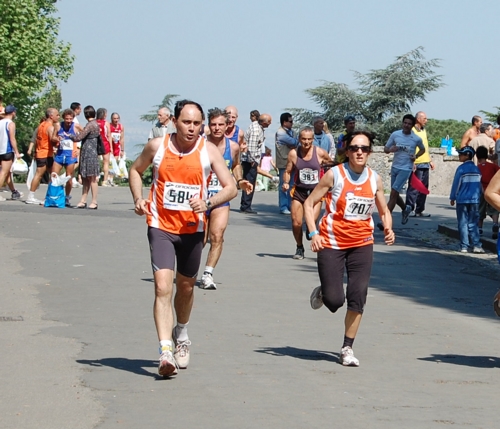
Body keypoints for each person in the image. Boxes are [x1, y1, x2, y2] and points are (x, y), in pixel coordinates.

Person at [129, 100, 237, 377]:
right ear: (175, 121)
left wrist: (208, 202)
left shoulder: (208, 150)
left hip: (192, 229)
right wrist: (139, 199)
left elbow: (231, 187)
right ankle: (165, 352)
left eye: (196, 123)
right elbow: (135, 170)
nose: (191, 128)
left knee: (186, 288)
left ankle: (182, 333)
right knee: (163, 287)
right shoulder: (158, 146)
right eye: (186, 122)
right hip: (161, 226)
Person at [304, 130, 395, 367]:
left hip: (362, 243)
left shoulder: (375, 179)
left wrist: (388, 227)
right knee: (335, 301)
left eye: (364, 148)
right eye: (355, 148)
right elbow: (309, 203)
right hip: (331, 242)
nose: (359, 152)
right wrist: (313, 233)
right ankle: (325, 292)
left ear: (370, 152)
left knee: (358, 295)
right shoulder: (335, 175)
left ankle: (347, 347)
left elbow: (384, 210)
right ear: (347, 151)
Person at [199, 108, 252, 290]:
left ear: (227, 125)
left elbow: (236, 165)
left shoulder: (233, 147)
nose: (217, 128)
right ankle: (187, 269)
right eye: (213, 124)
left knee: (217, 235)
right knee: (200, 239)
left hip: (222, 197)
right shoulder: (200, 146)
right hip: (199, 198)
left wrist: (239, 180)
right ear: (208, 125)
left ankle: (207, 274)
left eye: (220, 124)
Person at [283, 127, 332, 260]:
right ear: (299, 139)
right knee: (296, 222)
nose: (306, 142)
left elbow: (332, 166)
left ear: (313, 140)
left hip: (315, 192)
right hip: (299, 190)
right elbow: (288, 171)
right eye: (304, 139)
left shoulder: (320, 153)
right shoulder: (294, 153)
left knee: (312, 220)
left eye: (309, 139)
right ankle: (299, 247)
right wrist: (286, 182)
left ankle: (310, 230)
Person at [379, 114, 425, 229]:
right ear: (402, 123)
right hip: (395, 167)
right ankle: (406, 208)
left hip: (406, 168)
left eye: (409, 124)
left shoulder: (416, 139)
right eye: (405, 123)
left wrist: (415, 156)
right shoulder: (395, 134)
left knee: (393, 193)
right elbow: (385, 149)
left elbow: (423, 149)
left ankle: (385, 220)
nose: (406, 125)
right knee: (395, 194)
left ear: (412, 125)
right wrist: (390, 150)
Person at [450, 146, 483, 253]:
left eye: (461, 154)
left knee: (463, 222)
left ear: (467, 155)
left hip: (462, 199)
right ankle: (477, 245)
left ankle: (464, 246)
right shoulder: (477, 169)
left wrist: (453, 197)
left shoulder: (461, 169)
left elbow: (456, 184)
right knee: (473, 222)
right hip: (475, 200)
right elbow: (479, 186)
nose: (459, 156)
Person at [26, 108, 60, 205]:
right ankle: (31, 196)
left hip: (44, 153)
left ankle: (49, 196)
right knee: (39, 174)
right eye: (57, 115)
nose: (58, 117)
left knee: (53, 174)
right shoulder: (49, 127)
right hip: (44, 154)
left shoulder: (41, 125)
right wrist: (58, 138)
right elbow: (52, 140)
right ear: (51, 116)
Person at [240, 113, 272, 214]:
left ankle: (245, 204)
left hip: (250, 159)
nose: (270, 124)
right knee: (250, 181)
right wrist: (252, 160)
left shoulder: (257, 127)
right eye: (269, 122)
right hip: (250, 160)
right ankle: (246, 206)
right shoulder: (256, 130)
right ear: (264, 122)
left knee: (248, 181)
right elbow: (252, 146)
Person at [69, 106, 100, 209]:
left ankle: (94, 201)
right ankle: (83, 200)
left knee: (92, 178)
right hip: (89, 153)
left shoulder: (91, 125)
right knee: (86, 178)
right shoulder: (95, 124)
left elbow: (79, 137)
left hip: (89, 154)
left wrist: (69, 135)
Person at [405, 111, 434, 217]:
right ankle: (409, 208)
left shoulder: (423, 130)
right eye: (424, 118)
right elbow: (409, 147)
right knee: (414, 187)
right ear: (418, 119)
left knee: (423, 188)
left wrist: (430, 160)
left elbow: (425, 147)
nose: (426, 121)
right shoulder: (412, 131)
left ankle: (420, 209)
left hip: (425, 162)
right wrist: (411, 162)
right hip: (416, 163)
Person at [52, 109, 83, 206]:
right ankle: (51, 196)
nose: (69, 121)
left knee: (69, 177)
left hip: (71, 155)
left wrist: (79, 148)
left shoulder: (76, 126)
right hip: (60, 154)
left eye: (70, 119)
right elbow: (52, 137)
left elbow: (85, 136)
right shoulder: (58, 125)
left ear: (73, 118)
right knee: (53, 176)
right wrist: (57, 139)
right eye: (66, 119)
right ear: (63, 118)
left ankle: (67, 197)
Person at [275, 112, 298, 214]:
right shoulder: (280, 133)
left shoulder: (292, 132)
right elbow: (294, 142)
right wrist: (293, 143)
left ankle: (290, 205)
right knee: (284, 185)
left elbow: (296, 142)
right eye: (290, 121)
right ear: (284, 122)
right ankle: (283, 206)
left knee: (292, 184)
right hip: (284, 162)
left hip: (292, 162)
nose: (292, 123)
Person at [476, 145, 500, 238]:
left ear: (477, 157)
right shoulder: (493, 166)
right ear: (487, 155)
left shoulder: (477, 167)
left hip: (481, 190)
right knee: (494, 210)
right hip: (493, 190)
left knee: (480, 210)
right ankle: (495, 224)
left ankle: (480, 228)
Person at [0, 105, 22, 201]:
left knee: (7, 173)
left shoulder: (0, 122)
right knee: (4, 173)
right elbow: (12, 139)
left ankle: (14, 191)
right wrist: (17, 152)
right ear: (13, 112)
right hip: (7, 150)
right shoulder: (10, 123)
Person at [96, 108, 112, 186]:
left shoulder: (94, 122)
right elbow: (109, 135)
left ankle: (96, 177)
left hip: (96, 143)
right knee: (106, 162)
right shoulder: (106, 123)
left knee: (96, 161)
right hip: (105, 143)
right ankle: (105, 180)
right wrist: (111, 147)